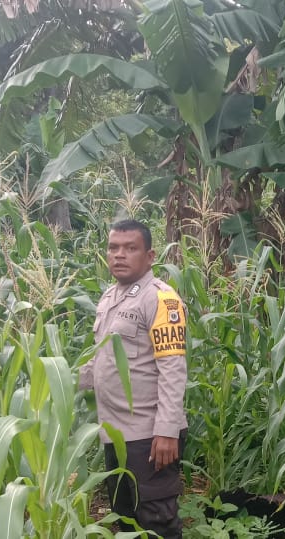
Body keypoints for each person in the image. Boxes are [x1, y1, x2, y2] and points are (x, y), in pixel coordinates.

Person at [79, 219, 188, 538]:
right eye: (113, 248)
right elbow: (103, 360)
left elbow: (172, 367)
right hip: (114, 432)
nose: (119, 255)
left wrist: (167, 430)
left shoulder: (161, 299)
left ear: (150, 255)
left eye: (130, 248)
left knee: (157, 521)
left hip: (149, 436)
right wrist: (56, 383)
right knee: (124, 519)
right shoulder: (110, 297)